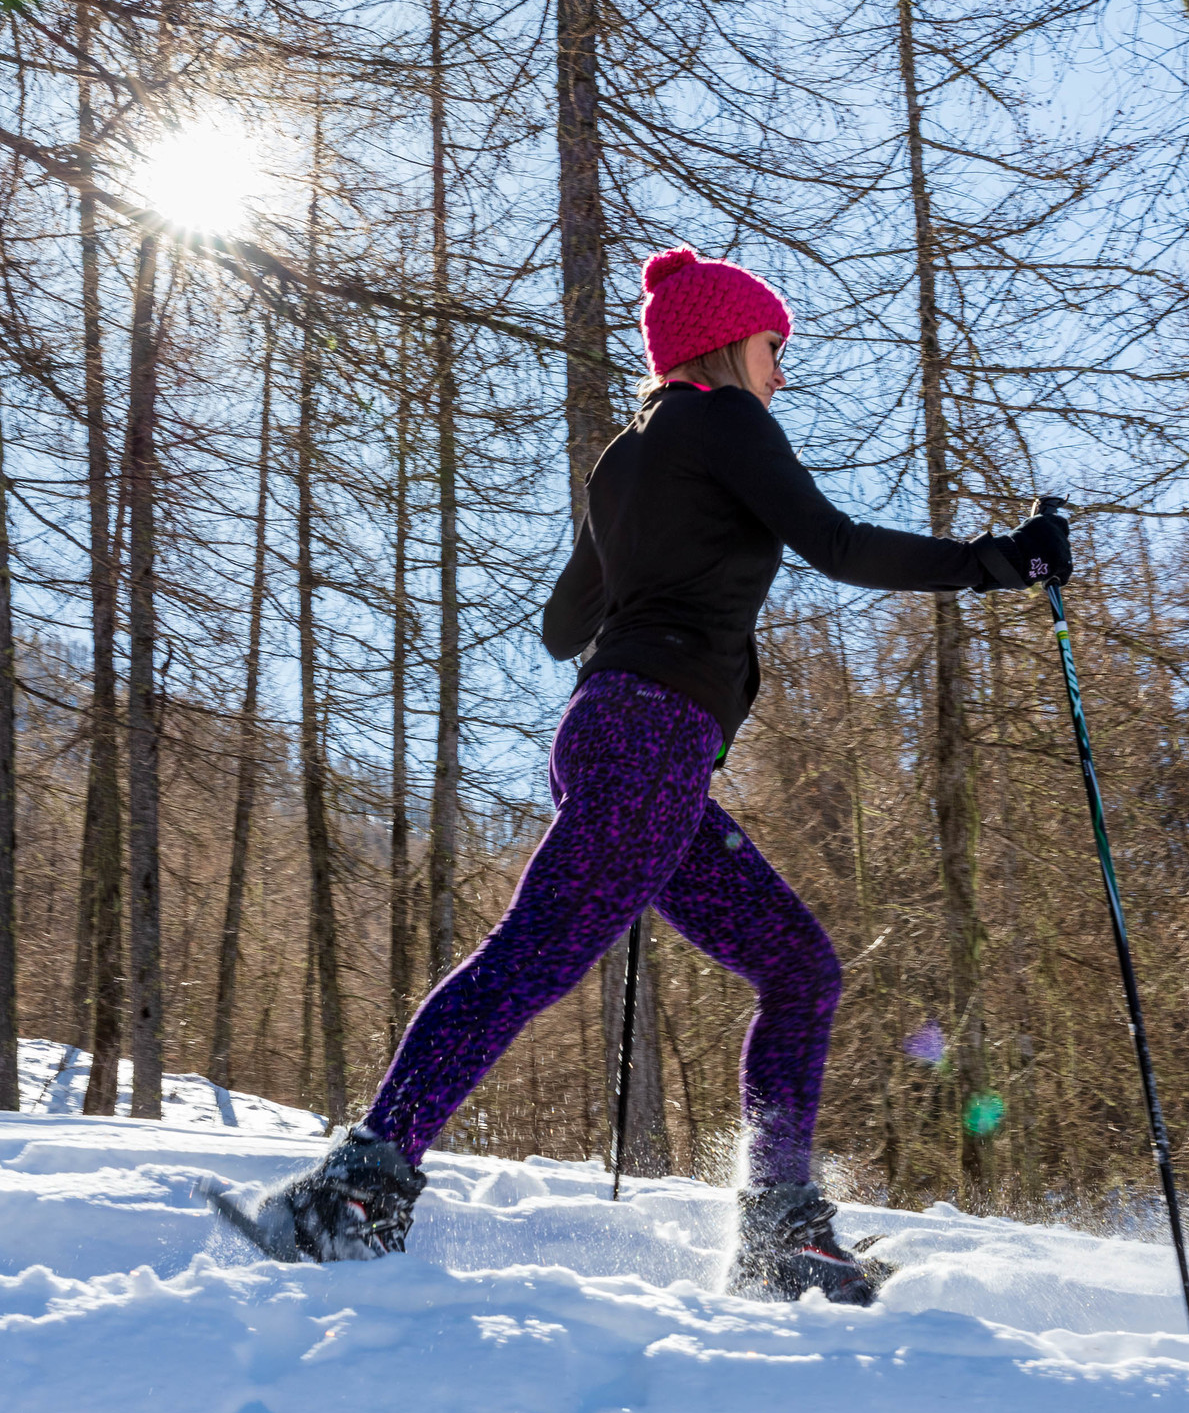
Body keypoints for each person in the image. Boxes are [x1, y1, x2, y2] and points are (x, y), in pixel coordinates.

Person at [210, 245, 1071, 1301]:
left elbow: (562, 624)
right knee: (530, 954)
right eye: (772, 348)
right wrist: (1001, 559)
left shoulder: (625, 457)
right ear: (724, 343)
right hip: (648, 741)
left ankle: (780, 1228)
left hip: (627, 741)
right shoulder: (723, 420)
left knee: (799, 966)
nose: (779, 374)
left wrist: (650, 558)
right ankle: (355, 1190)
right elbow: (835, 545)